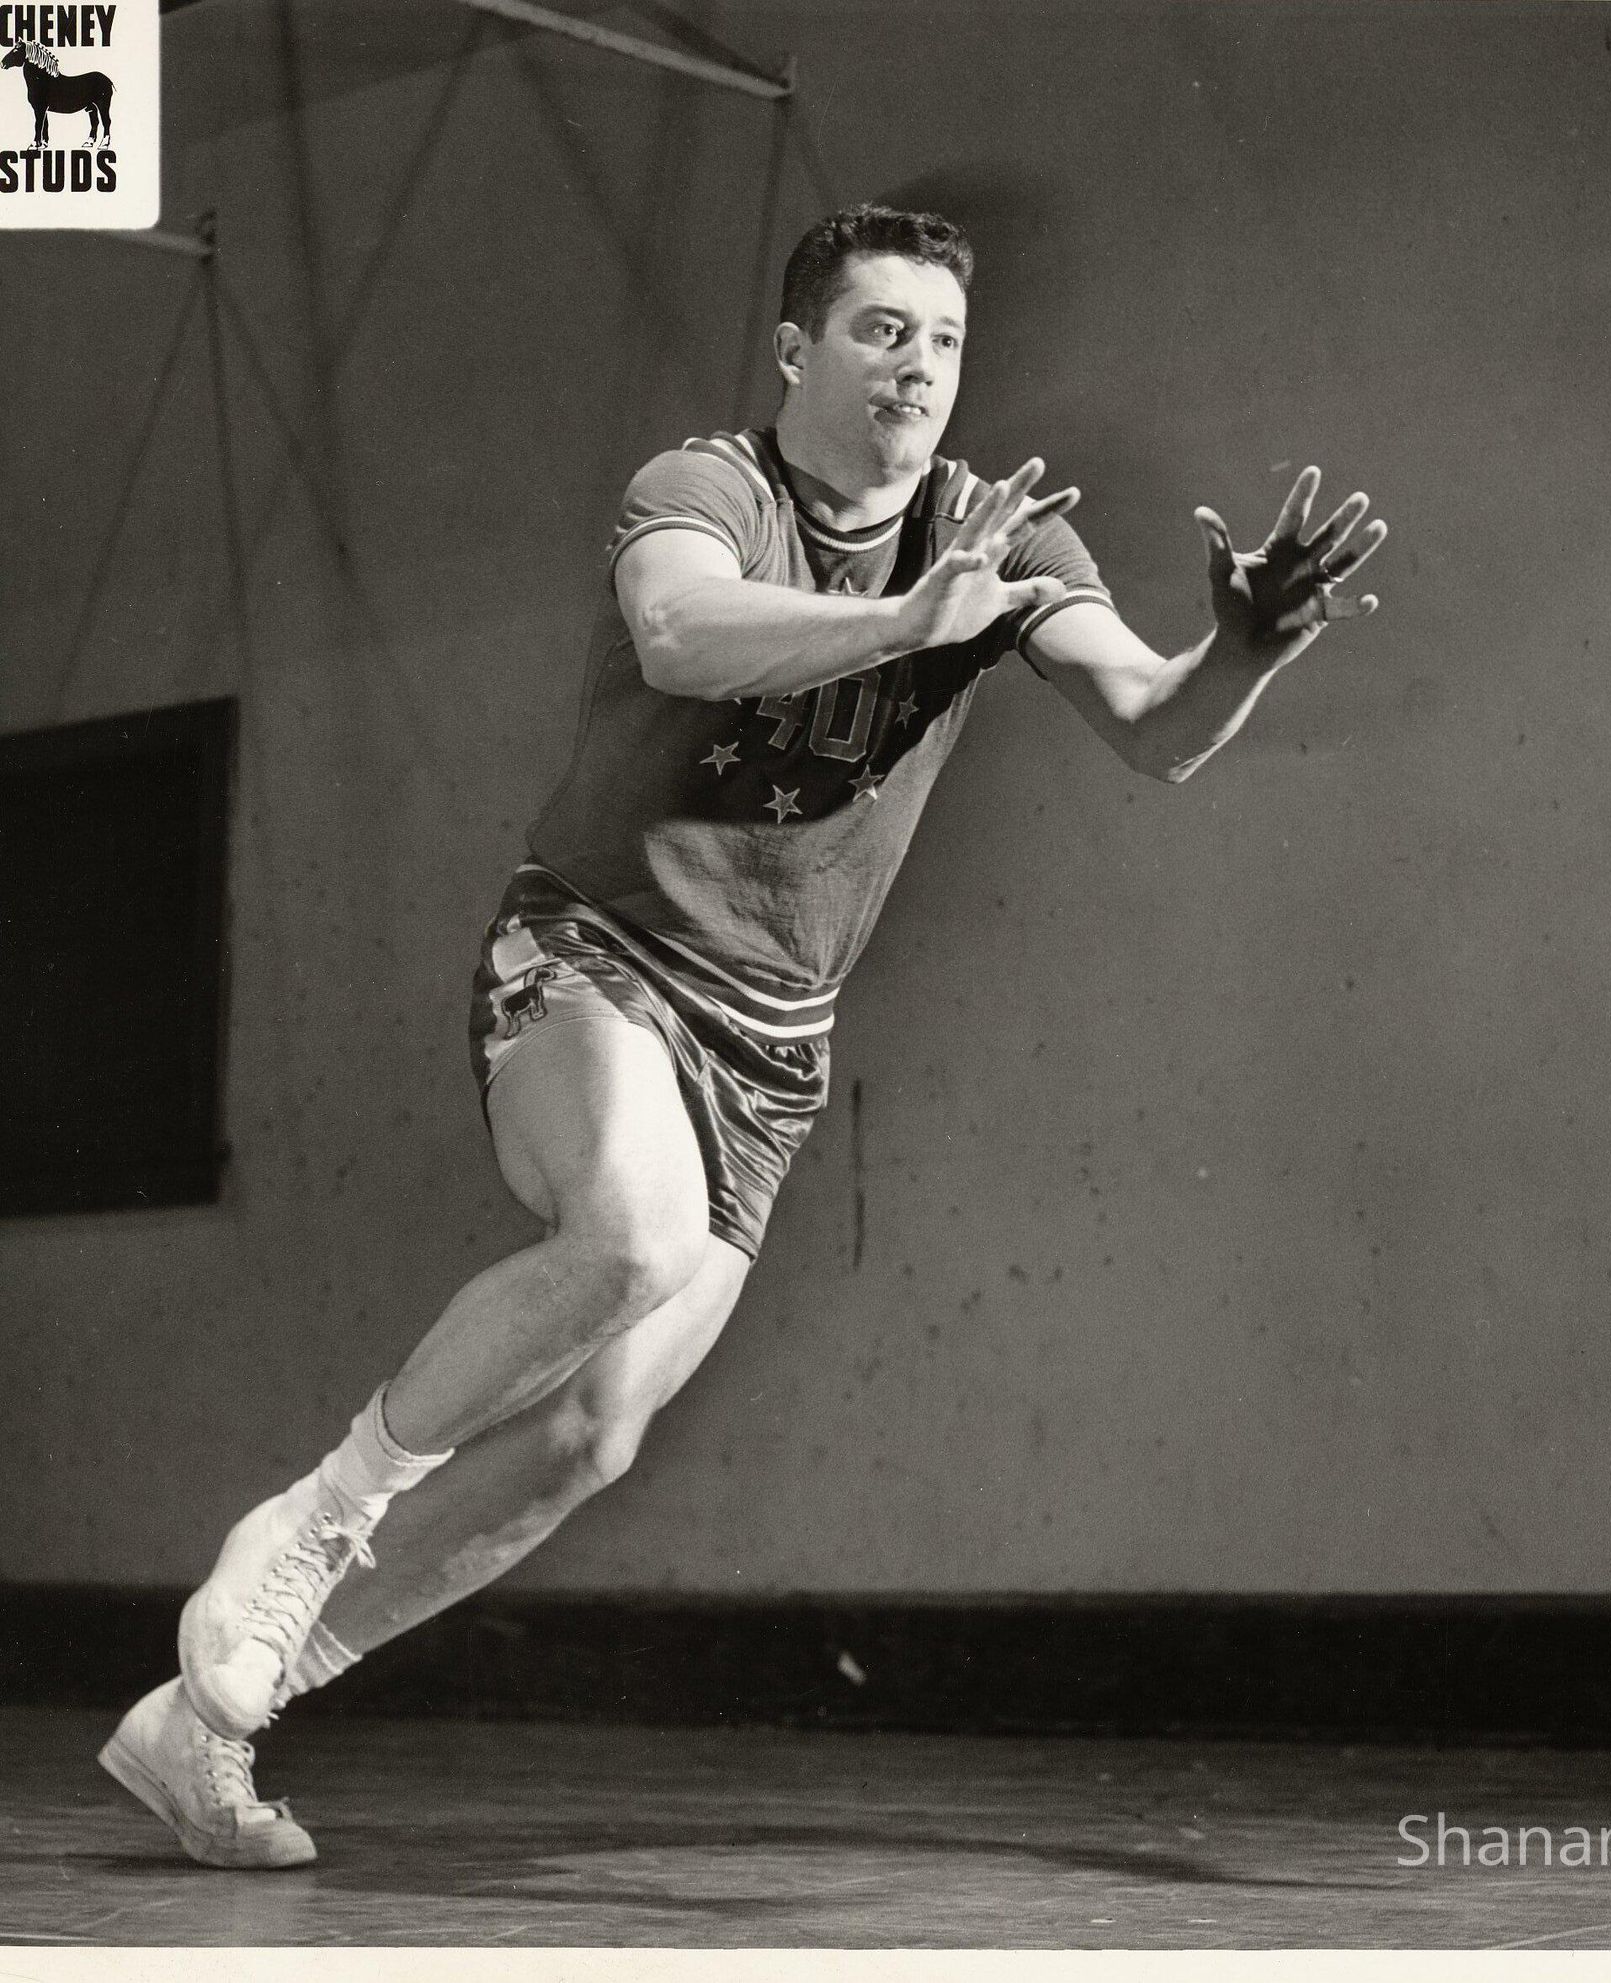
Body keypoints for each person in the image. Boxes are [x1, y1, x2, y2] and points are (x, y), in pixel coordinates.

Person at [98, 201, 1387, 1869]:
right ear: (796, 350)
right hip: (598, 951)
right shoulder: (709, 486)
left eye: (943, 340)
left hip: (772, 1039)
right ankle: (313, 1520)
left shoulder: (996, 539)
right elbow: (681, 632)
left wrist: (1248, 649)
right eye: (880, 330)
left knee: (591, 1436)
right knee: (627, 1237)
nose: (917, 367)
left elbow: (1157, 725)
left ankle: (211, 1723)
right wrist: (908, 624)